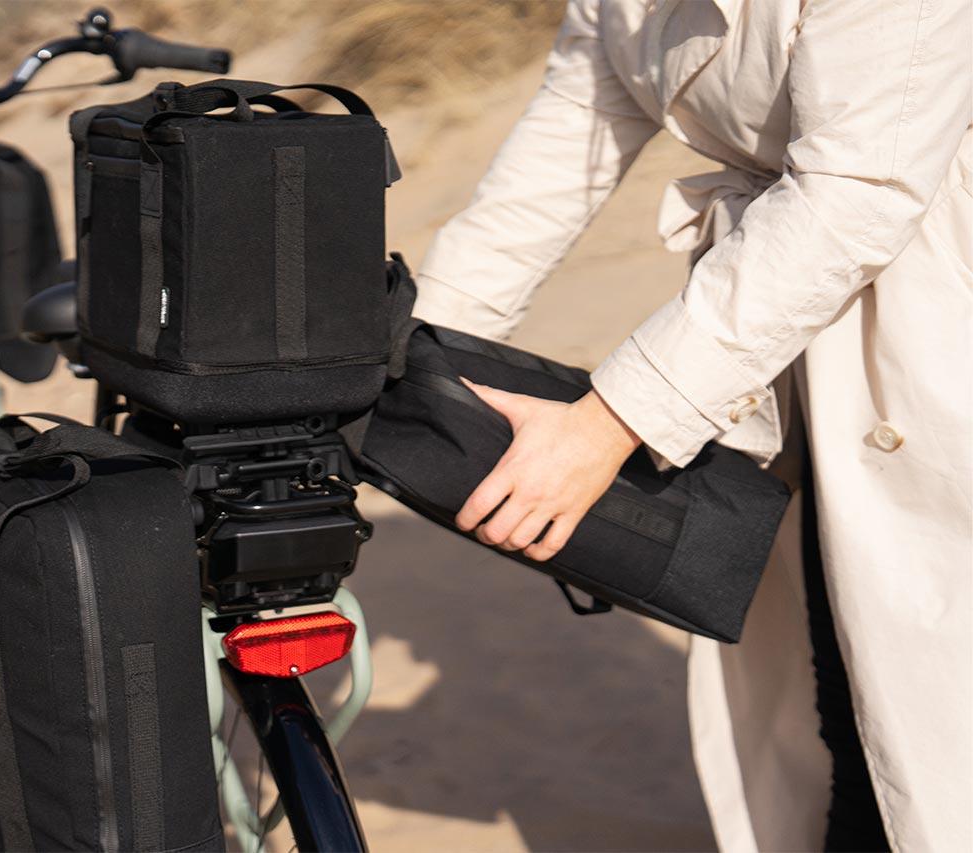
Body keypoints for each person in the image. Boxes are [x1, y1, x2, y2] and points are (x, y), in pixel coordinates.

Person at [412, 1, 972, 850]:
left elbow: (857, 193)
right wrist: (407, 358)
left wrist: (609, 423)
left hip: (932, 314)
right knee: (849, 685)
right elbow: (561, 159)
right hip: (785, 328)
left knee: (932, 707)